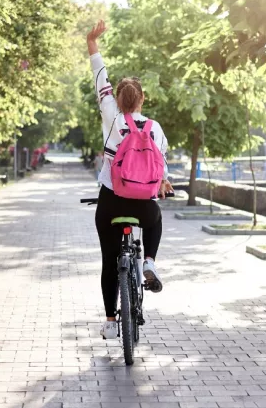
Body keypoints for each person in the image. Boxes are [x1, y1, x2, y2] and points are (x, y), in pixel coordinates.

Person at [87, 20, 174, 339]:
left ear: (117, 98)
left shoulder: (110, 115)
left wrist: (92, 41)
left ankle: (111, 322)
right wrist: (164, 183)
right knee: (155, 218)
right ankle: (149, 261)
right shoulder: (154, 128)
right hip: (144, 206)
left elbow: (100, 77)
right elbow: (162, 163)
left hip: (110, 202)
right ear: (142, 99)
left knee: (109, 262)